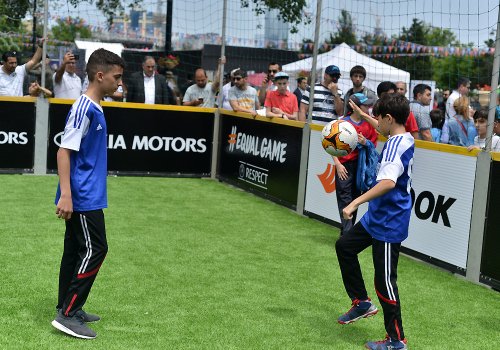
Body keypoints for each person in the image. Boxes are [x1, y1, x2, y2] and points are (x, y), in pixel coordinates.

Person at [51, 48, 125, 340]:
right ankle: (68, 314)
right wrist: (67, 195)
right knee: (96, 249)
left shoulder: (94, 106)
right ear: (99, 75)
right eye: (116, 77)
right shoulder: (83, 108)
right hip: (82, 195)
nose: (119, 83)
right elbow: (63, 152)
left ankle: (67, 306)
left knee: (74, 250)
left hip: (86, 193)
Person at [336, 93, 413, 350]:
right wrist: (365, 114)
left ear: (389, 118)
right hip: (377, 217)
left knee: (385, 281)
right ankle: (362, 303)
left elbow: (388, 183)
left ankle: (396, 340)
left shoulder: (393, 146)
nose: (375, 123)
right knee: (345, 246)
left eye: (378, 118)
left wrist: (355, 202)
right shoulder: (400, 136)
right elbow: (383, 128)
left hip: (389, 222)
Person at [333, 93, 378, 236]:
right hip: (344, 165)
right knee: (344, 197)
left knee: (355, 197)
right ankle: (347, 232)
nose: (368, 107)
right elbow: (331, 145)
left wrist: (365, 142)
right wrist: (338, 165)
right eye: (365, 105)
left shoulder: (369, 125)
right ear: (355, 107)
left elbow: (373, 145)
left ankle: (347, 230)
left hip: (360, 166)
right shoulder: (342, 123)